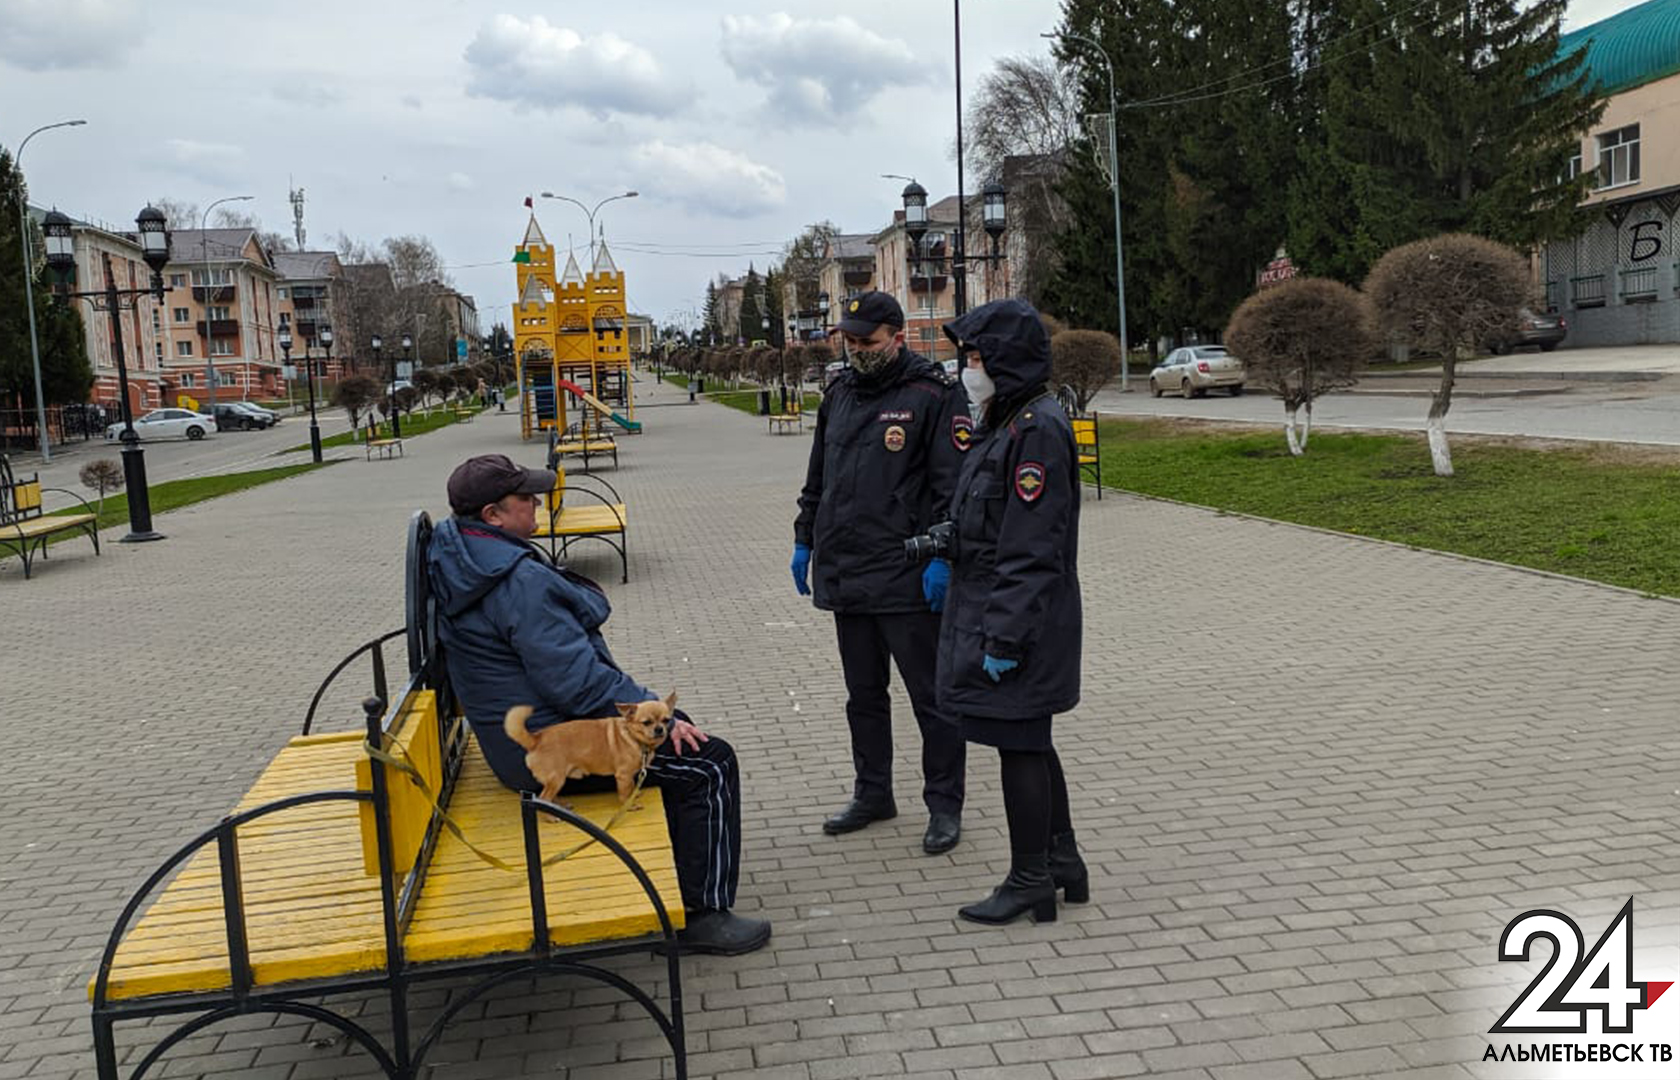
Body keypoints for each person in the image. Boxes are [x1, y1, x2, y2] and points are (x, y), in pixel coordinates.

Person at [426, 453, 771, 955]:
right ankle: (700, 916)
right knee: (708, 764)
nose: (537, 503)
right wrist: (652, 711)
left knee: (678, 737)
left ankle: (673, 882)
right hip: (552, 753)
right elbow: (575, 683)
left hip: (520, 740)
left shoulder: (465, 558)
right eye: (526, 498)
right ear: (492, 515)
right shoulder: (515, 582)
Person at [793, 290, 973, 854]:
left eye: (866, 341)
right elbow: (819, 475)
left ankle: (944, 805)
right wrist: (805, 538)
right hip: (847, 569)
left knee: (931, 699)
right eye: (849, 340)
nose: (855, 350)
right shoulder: (840, 392)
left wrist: (944, 556)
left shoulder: (934, 394)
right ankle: (873, 793)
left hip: (907, 572)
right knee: (863, 696)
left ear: (896, 336)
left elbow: (955, 488)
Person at [934, 298, 1086, 925]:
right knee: (1030, 741)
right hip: (1003, 608)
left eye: (976, 357)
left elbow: (1030, 548)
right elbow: (986, 517)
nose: (969, 369)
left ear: (1006, 358)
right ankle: (1063, 862)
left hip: (1022, 619)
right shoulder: (1011, 419)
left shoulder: (1036, 429)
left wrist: (1004, 637)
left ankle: (1030, 880)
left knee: (1020, 744)